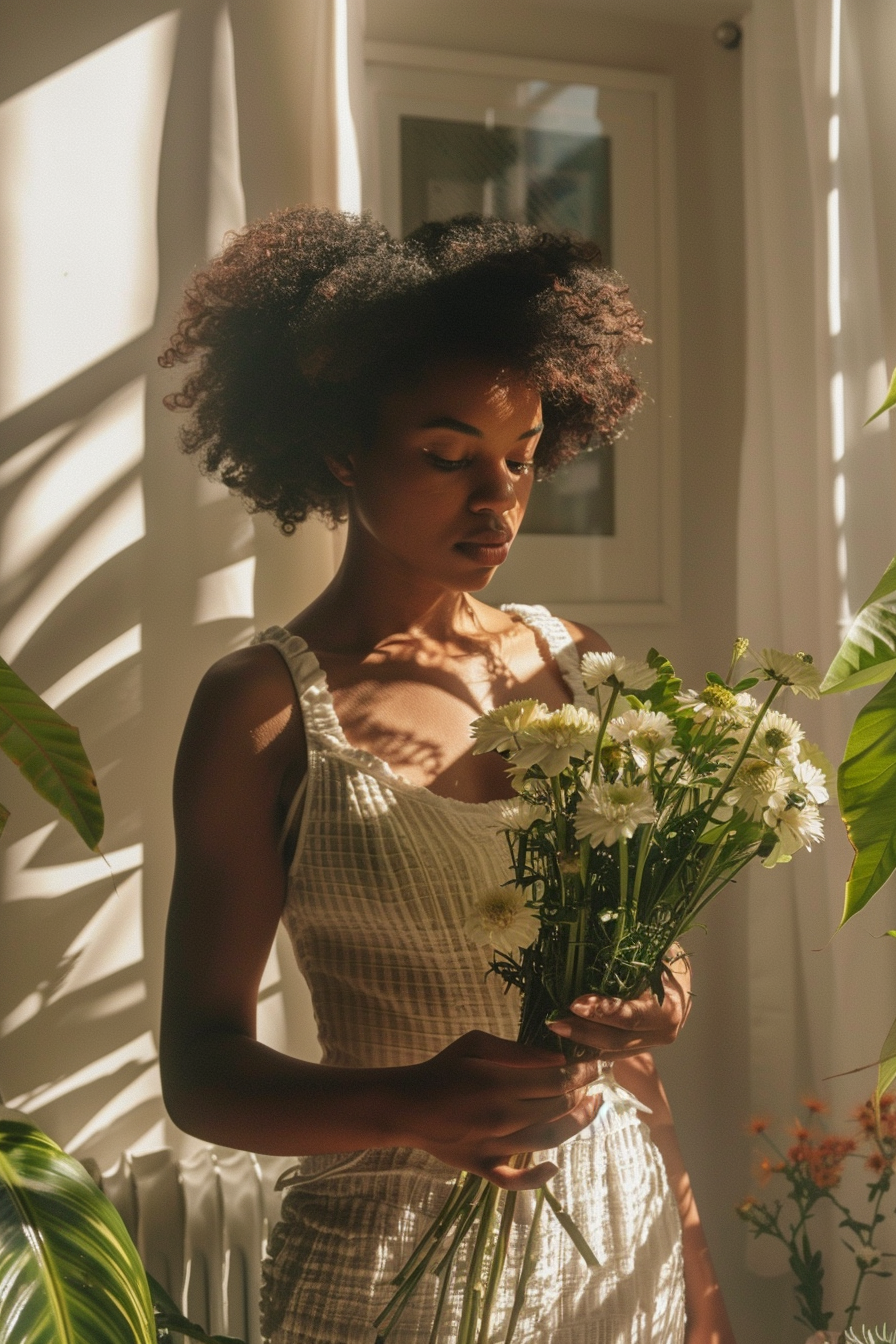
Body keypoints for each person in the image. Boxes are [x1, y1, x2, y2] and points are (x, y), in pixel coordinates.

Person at [158, 210, 736, 1344]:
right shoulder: (263, 707)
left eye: (520, 457)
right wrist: (408, 1102)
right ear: (338, 448)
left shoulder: (571, 665)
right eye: (445, 455)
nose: (497, 498)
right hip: (384, 1275)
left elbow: (645, 956)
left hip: (622, 1255)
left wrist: (659, 997)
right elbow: (200, 1069)